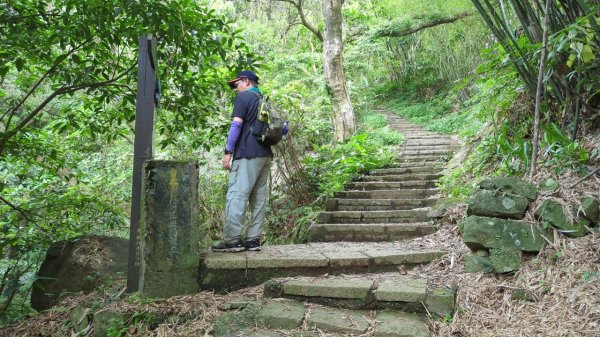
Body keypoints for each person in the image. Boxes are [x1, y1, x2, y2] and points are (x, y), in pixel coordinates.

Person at [211, 70, 273, 252]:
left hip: (247, 154)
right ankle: (253, 239)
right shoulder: (263, 99)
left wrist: (228, 151)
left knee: (237, 194)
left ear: (246, 81)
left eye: (236, 84)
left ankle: (233, 240)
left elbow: (236, 125)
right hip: (265, 154)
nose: (235, 89)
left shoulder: (244, 97)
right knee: (258, 198)